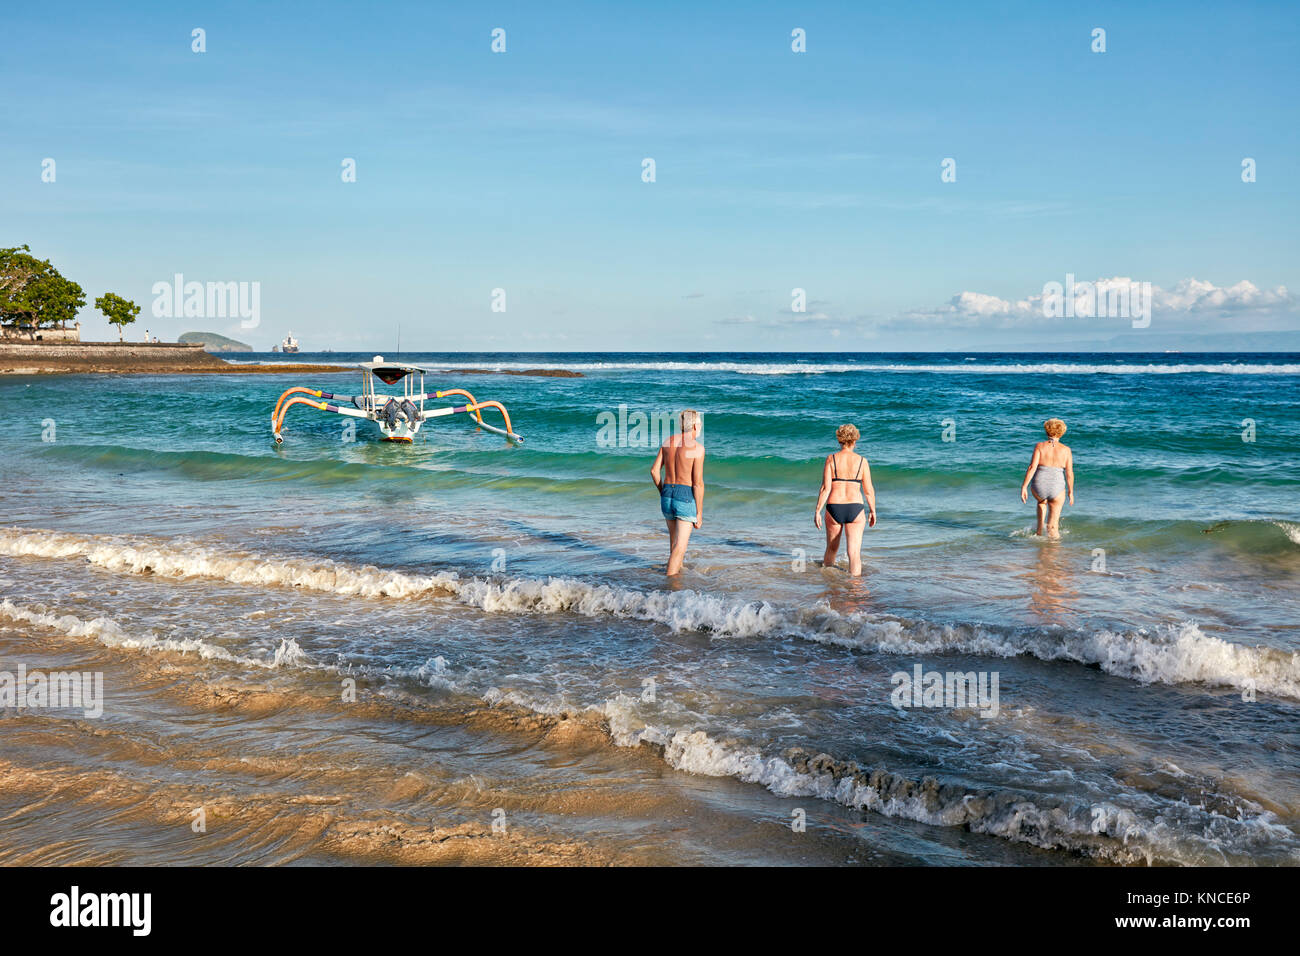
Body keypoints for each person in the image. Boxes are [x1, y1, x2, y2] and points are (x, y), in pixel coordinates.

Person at [814, 424, 876, 575]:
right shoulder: (862, 461)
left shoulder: (831, 459)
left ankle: (830, 585)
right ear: (855, 440)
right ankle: (855, 590)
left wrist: (817, 511)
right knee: (854, 553)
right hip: (855, 508)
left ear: (839, 440)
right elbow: (868, 491)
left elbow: (825, 488)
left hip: (834, 506)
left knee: (831, 549)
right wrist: (873, 511)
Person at [651, 409, 705, 575]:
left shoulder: (668, 442)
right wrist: (699, 512)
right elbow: (697, 484)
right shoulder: (697, 448)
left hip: (667, 494)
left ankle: (676, 573)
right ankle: (670, 585)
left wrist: (663, 492)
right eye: (700, 425)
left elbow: (654, 471)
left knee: (674, 543)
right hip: (685, 496)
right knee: (680, 547)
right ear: (695, 426)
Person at [1020, 418, 1074, 537]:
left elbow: (1032, 467)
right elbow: (1069, 473)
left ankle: (1039, 531)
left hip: (1039, 485)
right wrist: (1070, 492)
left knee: (1041, 502)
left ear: (1047, 430)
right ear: (1062, 432)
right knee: (1053, 527)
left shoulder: (1039, 446)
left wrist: (1024, 487)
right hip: (1057, 487)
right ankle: (1052, 550)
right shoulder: (1066, 450)